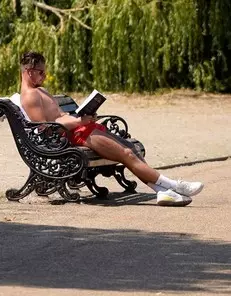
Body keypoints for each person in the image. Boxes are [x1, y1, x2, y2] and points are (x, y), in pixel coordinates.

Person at [19, 51, 204, 206]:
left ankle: (162, 191)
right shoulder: (30, 96)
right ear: (28, 72)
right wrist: (79, 122)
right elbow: (47, 129)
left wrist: (84, 116)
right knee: (127, 153)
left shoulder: (40, 91)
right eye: (41, 72)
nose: (44, 76)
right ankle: (175, 186)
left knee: (131, 150)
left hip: (81, 128)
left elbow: (59, 117)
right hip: (76, 136)